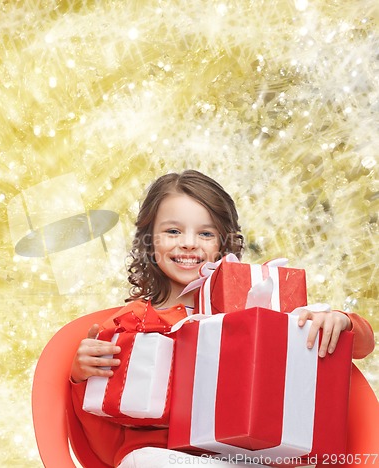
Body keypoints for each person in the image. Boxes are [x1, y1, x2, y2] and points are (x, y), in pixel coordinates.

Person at [70, 170, 375, 468]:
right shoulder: (135, 321)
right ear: (149, 242)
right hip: (158, 456)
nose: (189, 243)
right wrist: (82, 376)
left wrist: (340, 321)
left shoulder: (253, 309)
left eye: (205, 233)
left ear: (223, 244)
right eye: (173, 231)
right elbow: (102, 433)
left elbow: (359, 347)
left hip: (242, 455)